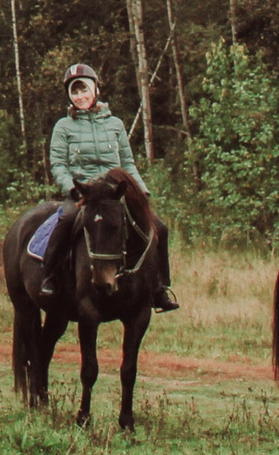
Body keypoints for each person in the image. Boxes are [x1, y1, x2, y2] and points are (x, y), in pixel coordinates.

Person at [42, 65, 181, 315]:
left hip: (114, 193)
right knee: (66, 220)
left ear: (96, 88)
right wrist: (72, 189)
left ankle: (159, 287)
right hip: (83, 193)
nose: (80, 96)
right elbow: (59, 166)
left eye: (84, 89)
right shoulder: (63, 127)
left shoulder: (115, 124)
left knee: (159, 227)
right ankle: (50, 277)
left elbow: (127, 163)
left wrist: (141, 191)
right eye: (74, 92)